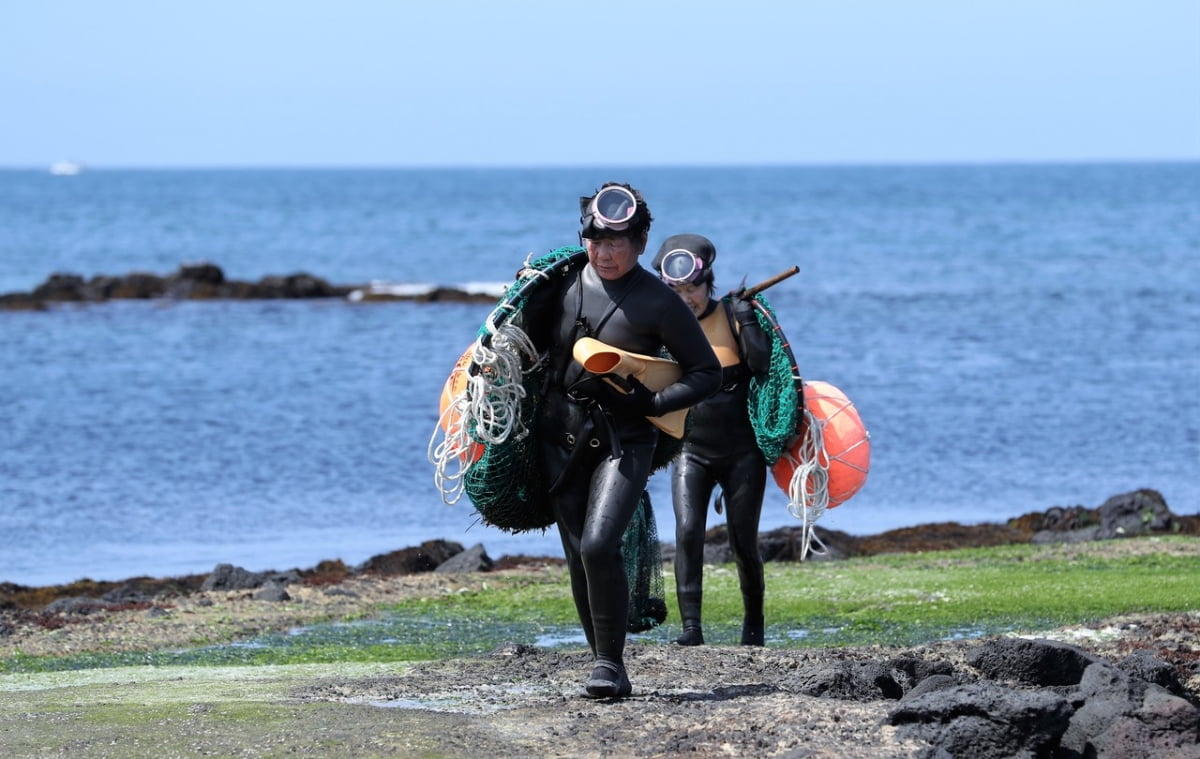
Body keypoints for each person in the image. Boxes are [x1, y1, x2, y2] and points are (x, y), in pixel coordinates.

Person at [519, 184, 721, 698]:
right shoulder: (560, 282)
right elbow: (522, 347)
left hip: (625, 437)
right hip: (558, 436)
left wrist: (651, 406)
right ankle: (605, 666)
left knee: (599, 543)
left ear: (641, 239)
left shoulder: (659, 301)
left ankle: (609, 663)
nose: (604, 253)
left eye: (618, 243)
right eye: (595, 240)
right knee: (576, 554)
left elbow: (706, 374)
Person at [651, 234, 774, 647]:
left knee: (743, 540)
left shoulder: (734, 315)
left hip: (744, 453)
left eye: (693, 288)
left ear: (709, 284)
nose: (687, 298)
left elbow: (761, 367)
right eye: (677, 291)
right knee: (687, 532)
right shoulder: (661, 327)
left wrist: (749, 318)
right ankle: (692, 629)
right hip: (691, 452)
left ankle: (753, 627)